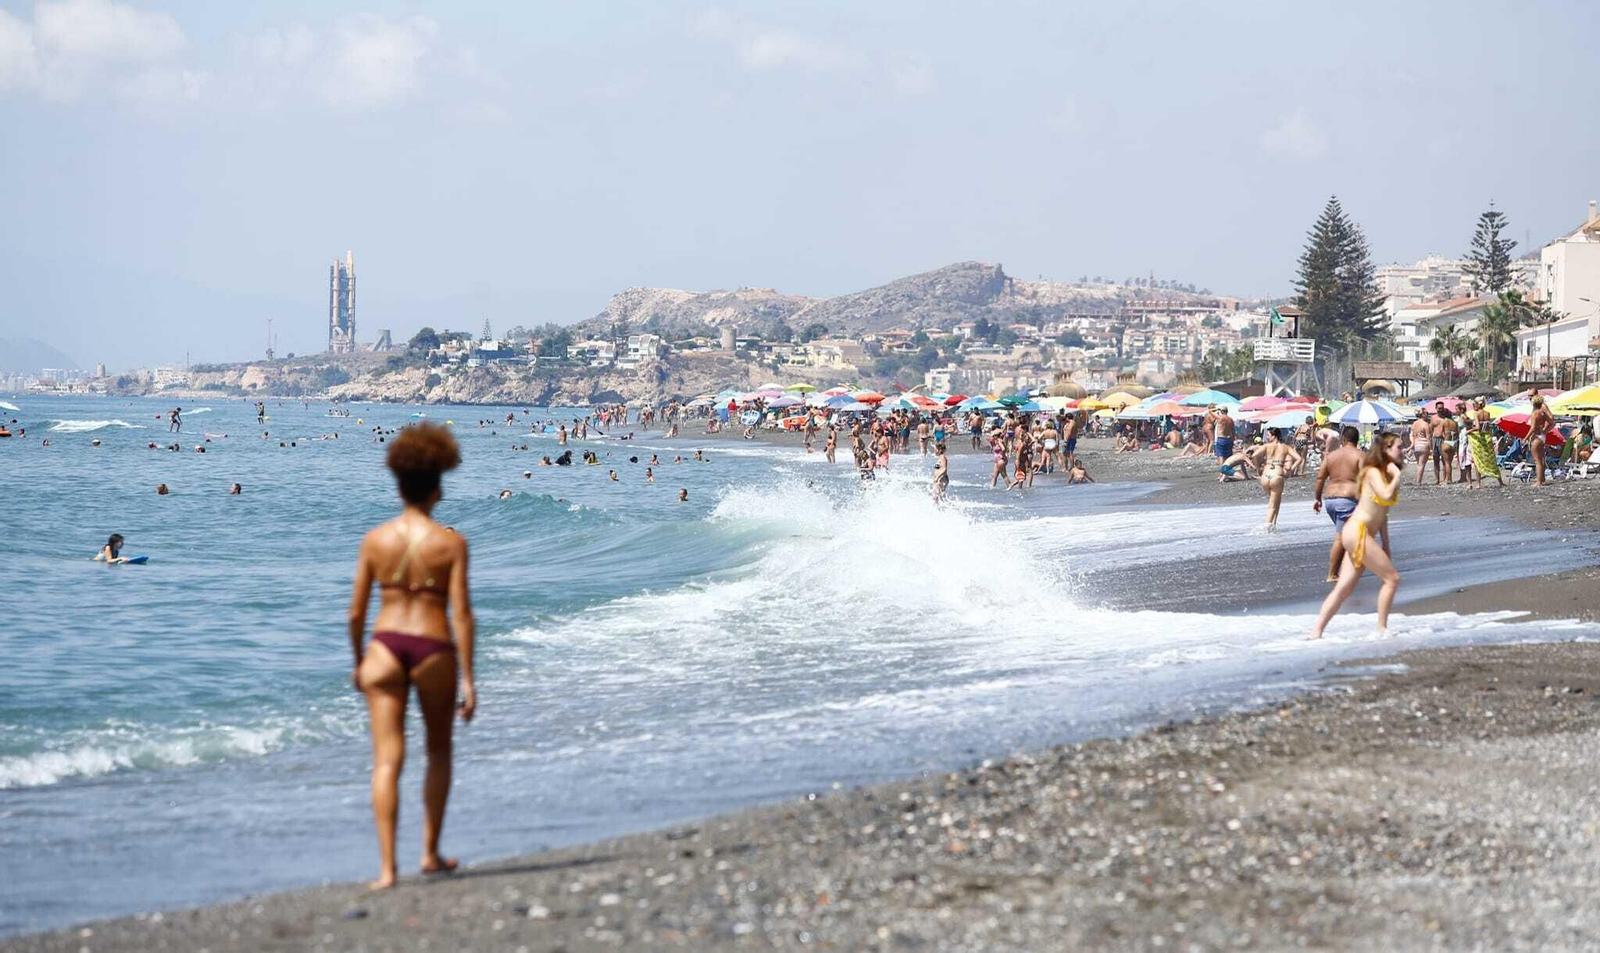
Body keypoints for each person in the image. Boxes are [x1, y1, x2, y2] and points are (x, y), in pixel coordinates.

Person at [347, 422, 475, 891]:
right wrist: (470, 679)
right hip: (433, 647)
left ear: (398, 485)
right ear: (438, 489)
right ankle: (429, 852)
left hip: (384, 647)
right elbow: (461, 614)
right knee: (438, 751)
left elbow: (357, 611)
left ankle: (386, 870)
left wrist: (358, 660)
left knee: (386, 760)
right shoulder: (451, 543)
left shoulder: (375, 540)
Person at [1308, 431, 1404, 640]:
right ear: (1386, 450)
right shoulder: (1373, 472)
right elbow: (1386, 495)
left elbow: (1383, 512)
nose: (1403, 450)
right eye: (1399, 446)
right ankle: (1382, 629)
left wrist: (1386, 545)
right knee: (1392, 579)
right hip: (1357, 531)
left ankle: (1316, 632)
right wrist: (1397, 476)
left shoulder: (1384, 473)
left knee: (1344, 588)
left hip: (1359, 533)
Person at [1312, 426, 1363, 582]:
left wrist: (1317, 498)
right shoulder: (1360, 456)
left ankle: (1349, 567)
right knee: (1341, 538)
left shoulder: (1331, 456)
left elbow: (1320, 478)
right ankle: (1332, 574)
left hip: (1330, 500)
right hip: (1347, 500)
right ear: (1357, 439)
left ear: (1343, 439)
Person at [1257, 429, 1303, 531]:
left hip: (1265, 475)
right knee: (1272, 504)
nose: (1267, 437)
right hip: (1277, 475)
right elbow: (1299, 459)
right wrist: (1290, 469)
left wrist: (1258, 468)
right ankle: (1267, 526)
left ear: (1274, 436)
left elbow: (1254, 455)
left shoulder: (1266, 446)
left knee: (1276, 499)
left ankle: (1273, 523)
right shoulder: (1285, 447)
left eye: (1268, 435)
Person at [1529, 395, 1554, 486]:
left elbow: (1532, 428)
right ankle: (1542, 479)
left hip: (1536, 436)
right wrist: (1545, 431)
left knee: (1537, 460)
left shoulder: (1535, 413)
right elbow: (1552, 422)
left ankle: (1539, 481)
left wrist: (1525, 437)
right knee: (1541, 458)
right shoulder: (1542, 413)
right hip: (1542, 436)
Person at [1410, 411, 1432, 485]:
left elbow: (1411, 435)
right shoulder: (1425, 424)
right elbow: (1428, 438)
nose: (1427, 415)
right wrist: (1431, 448)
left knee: (1418, 464)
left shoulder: (1414, 423)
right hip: (1424, 444)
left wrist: (1412, 444)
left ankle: (1418, 480)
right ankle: (1418, 481)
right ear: (1423, 415)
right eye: (1426, 414)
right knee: (1422, 464)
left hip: (1416, 445)